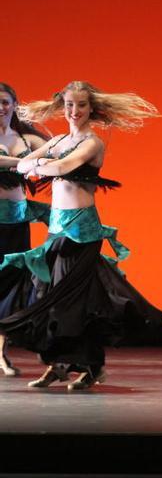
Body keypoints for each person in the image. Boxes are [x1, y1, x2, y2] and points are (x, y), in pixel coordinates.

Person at [0, 81, 162, 390]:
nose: (74, 111)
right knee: (45, 298)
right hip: (56, 231)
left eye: (80, 105)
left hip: (81, 231)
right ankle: (60, 365)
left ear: (92, 109)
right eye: (69, 106)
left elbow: (63, 166)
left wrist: (36, 164)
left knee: (69, 303)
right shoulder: (60, 139)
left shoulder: (92, 143)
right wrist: (33, 163)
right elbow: (24, 163)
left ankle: (88, 367)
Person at [0, 82, 50, 376]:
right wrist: (25, 162)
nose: (1, 108)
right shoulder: (23, 148)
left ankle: (1, 352)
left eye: (6, 102)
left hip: (16, 222)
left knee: (10, 285)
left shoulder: (25, 136)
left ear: (14, 105)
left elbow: (54, 152)